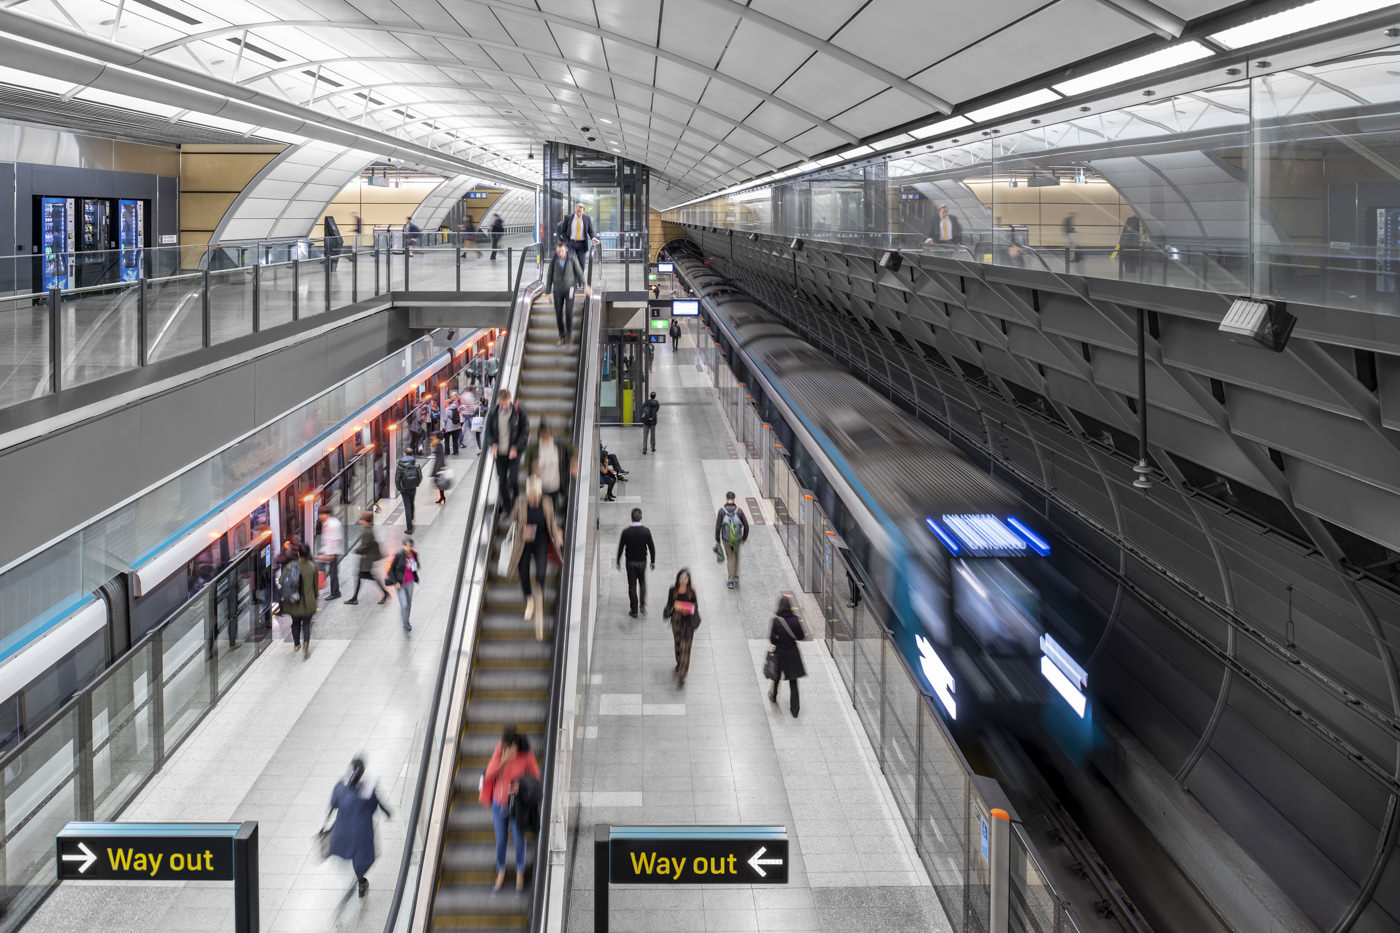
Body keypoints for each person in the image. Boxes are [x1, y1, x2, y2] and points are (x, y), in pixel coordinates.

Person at [480, 726, 540, 892]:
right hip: (498, 804)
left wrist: (521, 785)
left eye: (508, 747)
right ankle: (501, 870)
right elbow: (489, 774)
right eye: (503, 746)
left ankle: (520, 871)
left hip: (517, 806)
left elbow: (535, 776)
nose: (504, 749)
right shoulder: (500, 750)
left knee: (519, 839)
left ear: (515, 745)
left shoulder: (526, 755)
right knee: (501, 840)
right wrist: (503, 760)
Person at [326, 757, 391, 899]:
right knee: (362, 857)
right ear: (362, 773)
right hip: (361, 832)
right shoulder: (367, 791)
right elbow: (374, 807)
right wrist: (386, 812)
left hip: (343, 830)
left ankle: (359, 880)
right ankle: (361, 881)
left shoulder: (340, 787)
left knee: (351, 852)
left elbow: (334, 803)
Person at [508, 476, 563, 640]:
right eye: (531, 494)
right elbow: (513, 520)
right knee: (523, 572)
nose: (534, 498)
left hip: (540, 540)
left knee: (540, 572)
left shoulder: (546, 502)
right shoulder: (520, 502)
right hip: (524, 542)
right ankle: (530, 600)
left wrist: (557, 535)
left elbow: (551, 522)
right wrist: (521, 529)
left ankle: (538, 595)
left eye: (536, 494)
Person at [484, 388, 528, 512]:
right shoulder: (493, 413)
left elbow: (524, 432)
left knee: (513, 479)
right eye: (502, 403)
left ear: (510, 400)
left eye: (506, 403)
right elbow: (488, 433)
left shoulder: (518, 412)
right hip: (500, 454)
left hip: (514, 453)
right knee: (502, 482)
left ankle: (516, 502)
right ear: (499, 401)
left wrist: (516, 447)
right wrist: (492, 444)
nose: (504, 406)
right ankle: (508, 508)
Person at [767, 596, 808, 718]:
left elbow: (772, 640)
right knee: (793, 681)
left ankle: (773, 696)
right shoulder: (796, 620)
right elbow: (801, 636)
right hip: (792, 654)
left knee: (776, 676)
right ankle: (795, 710)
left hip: (780, 653)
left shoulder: (776, 621)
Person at [525, 420, 577, 513]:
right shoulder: (534, 447)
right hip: (538, 488)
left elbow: (574, 449)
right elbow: (527, 465)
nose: (546, 435)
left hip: (554, 486)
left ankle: (549, 526)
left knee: (550, 511)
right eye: (544, 433)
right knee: (538, 512)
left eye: (548, 433)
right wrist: (534, 469)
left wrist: (574, 463)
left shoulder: (558, 444)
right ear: (539, 434)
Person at [546, 241, 590, 344]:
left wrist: (585, 285)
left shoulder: (572, 258)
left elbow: (579, 272)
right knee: (558, 313)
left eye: (561, 251)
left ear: (566, 249)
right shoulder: (554, 259)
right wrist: (548, 292)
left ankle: (569, 334)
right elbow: (549, 275)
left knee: (569, 312)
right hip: (557, 290)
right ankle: (562, 335)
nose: (560, 254)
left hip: (569, 288)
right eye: (558, 252)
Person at [280, 543, 319, 659]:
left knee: (295, 623)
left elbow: (282, 580)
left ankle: (297, 644)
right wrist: (315, 598)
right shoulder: (312, 567)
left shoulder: (290, 566)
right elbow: (315, 586)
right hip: (308, 602)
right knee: (307, 624)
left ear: (298, 553)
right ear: (308, 554)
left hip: (294, 602)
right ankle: (306, 644)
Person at [616, 507, 656, 618]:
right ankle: (642, 605)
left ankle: (634, 610)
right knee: (642, 583)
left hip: (630, 563)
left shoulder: (626, 532)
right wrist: (652, 561)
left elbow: (621, 547)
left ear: (631, 518)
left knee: (632, 586)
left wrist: (618, 560)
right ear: (641, 517)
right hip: (642, 562)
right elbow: (652, 548)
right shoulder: (646, 531)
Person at [662, 568, 700, 687]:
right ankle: (679, 663)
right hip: (676, 620)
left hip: (688, 621)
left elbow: (695, 608)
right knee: (678, 643)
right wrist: (673, 608)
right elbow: (669, 604)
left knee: (686, 646)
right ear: (678, 578)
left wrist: (687, 610)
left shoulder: (691, 592)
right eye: (681, 577)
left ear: (689, 580)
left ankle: (683, 672)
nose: (683, 580)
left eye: (686, 578)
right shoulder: (673, 590)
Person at [346, 510, 390, 605]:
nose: (360, 520)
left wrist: (357, 550)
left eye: (362, 519)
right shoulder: (369, 528)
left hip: (367, 559)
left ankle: (385, 593)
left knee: (366, 576)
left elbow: (365, 546)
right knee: (362, 576)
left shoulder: (367, 531)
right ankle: (354, 598)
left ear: (366, 520)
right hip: (368, 558)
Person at [714, 491, 750, 589]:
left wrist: (717, 539)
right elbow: (746, 526)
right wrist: (744, 538)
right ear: (734, 499)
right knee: (736, 555)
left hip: (726, 539)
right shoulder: (739, 511)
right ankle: (736, 575)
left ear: (726, 499)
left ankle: (730, 581)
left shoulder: (721, 511)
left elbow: (718, 527)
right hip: (737, 539)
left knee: (730, 558)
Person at [387, 535, 421, 632]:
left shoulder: (414, 554)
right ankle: (405, 622)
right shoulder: (399, 555)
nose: (409, 548)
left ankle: (406, 619)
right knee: (405, 604)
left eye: (410, 546)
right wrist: (396, 582)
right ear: (403, 546)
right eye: (407, 546)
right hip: (400, 583)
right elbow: (391, 570)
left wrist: (416, 565)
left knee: (408, 603)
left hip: (410, 582)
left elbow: (416, 566)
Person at [556, 203, 600, 268]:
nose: (579, 213)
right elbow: (563, 231)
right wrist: (566, 241)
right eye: (577, 211)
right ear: (575, 209)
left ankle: (579, 277)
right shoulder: (568, 218)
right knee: (569, 262)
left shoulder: (587, 219)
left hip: (582, 244)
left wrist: (593, 238)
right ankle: (571, 276)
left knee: (582, 264)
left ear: (583, 211)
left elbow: (590, 231)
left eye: (580, 212)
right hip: (571, 243)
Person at [318, 509, 344, 600]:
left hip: (332, 553)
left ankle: (335, 592)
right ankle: (334, 591)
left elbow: (337, 539)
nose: (319, 516)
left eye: (321, 514)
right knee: (329, 572)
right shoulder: (327, 523)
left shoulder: (333, 525)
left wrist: (332, 554)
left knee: (333, 573)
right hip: (327, 551)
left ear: (327, 514)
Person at [395, 450, 423, 534]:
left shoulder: (400, 465)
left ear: (405, 454)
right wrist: (416, 484)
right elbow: (420, 476)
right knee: (412, 502)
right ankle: (411, 517)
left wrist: (399, 488)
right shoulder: (416, 464)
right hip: (413, 487)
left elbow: (397, 478)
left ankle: (409, 528)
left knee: (407, 506)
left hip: (404, 488)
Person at [640, 391, 660, 455]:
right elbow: (657, 410)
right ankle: (653, 447)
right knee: (653, 434)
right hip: (653, 421)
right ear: (655, 396)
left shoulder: (646, 402)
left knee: (645, 435)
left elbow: (642, 409)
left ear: (650, 396)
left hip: (646, 421)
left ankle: (644, 449)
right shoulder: (657, 403)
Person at [429, 435, 447, 505]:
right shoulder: (436, 443)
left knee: (439, 481)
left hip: (439, 465)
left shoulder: (439, 444)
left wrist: (442, 465)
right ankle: (442, 496)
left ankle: (442, 496)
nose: (431, 437)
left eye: (432, 436)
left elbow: (441, 455)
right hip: (438, 464)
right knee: (438, 481)